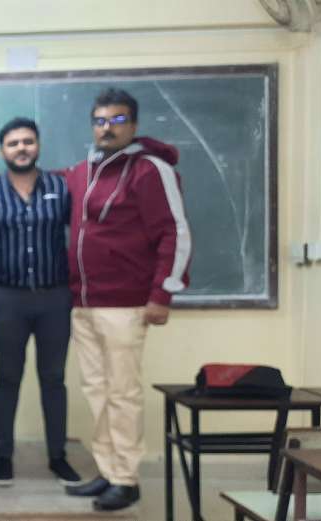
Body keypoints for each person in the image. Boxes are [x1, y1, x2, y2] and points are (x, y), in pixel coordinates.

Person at [63, 88, 192, 511]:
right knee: (96, 391)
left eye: (117, 120)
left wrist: (163, 294)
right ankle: (108, 469)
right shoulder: (83, 171)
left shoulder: (150, 170)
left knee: (122, 393)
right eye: (100, 121)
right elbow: (54, 181)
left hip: (126, 304)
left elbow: (175, 233)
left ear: (133, 125)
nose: (107, 128)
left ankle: (126, 478)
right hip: (83, 303)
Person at [0, 117, 81, 488]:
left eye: (28, 141)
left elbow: (83, 234)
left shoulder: (61, 188)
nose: (22, 148)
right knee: (8, 378)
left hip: (55, 298)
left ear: (38, 145)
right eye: (13, 143)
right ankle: (3, 457)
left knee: (54, 379)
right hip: (9, 301)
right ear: (2, 150)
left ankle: (58, 457)